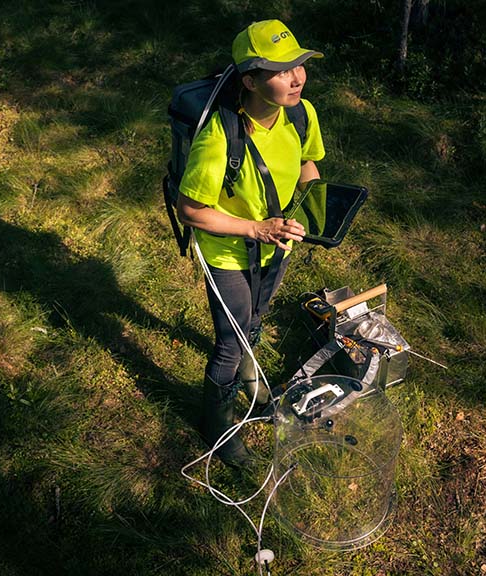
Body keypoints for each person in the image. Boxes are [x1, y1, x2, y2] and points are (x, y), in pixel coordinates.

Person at [177, 20, 325, 466]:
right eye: (281, 71)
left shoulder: (302, 113)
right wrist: (255, 229)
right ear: (250, 81)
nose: (296, 77)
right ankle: (217, 426)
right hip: (227, 251)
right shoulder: (220, 135)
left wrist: (318, 213)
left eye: (299, 65)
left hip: (276, 245)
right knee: (229, 338)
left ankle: (252, 379)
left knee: (254, 319)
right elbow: (190, 209)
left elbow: (308, 162)